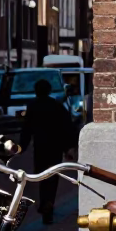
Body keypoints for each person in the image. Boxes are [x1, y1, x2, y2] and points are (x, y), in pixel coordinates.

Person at [19, 78, 76, 223]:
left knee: (41, 176)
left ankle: (44, 202)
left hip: (40, 147)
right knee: (53, 176)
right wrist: (69, 147)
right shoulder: (57, 106)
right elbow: (66, 127)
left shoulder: (32, 106)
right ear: (49, 90)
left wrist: (21, 147)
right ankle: (49, 203)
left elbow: (27, 128)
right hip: (55, 147)